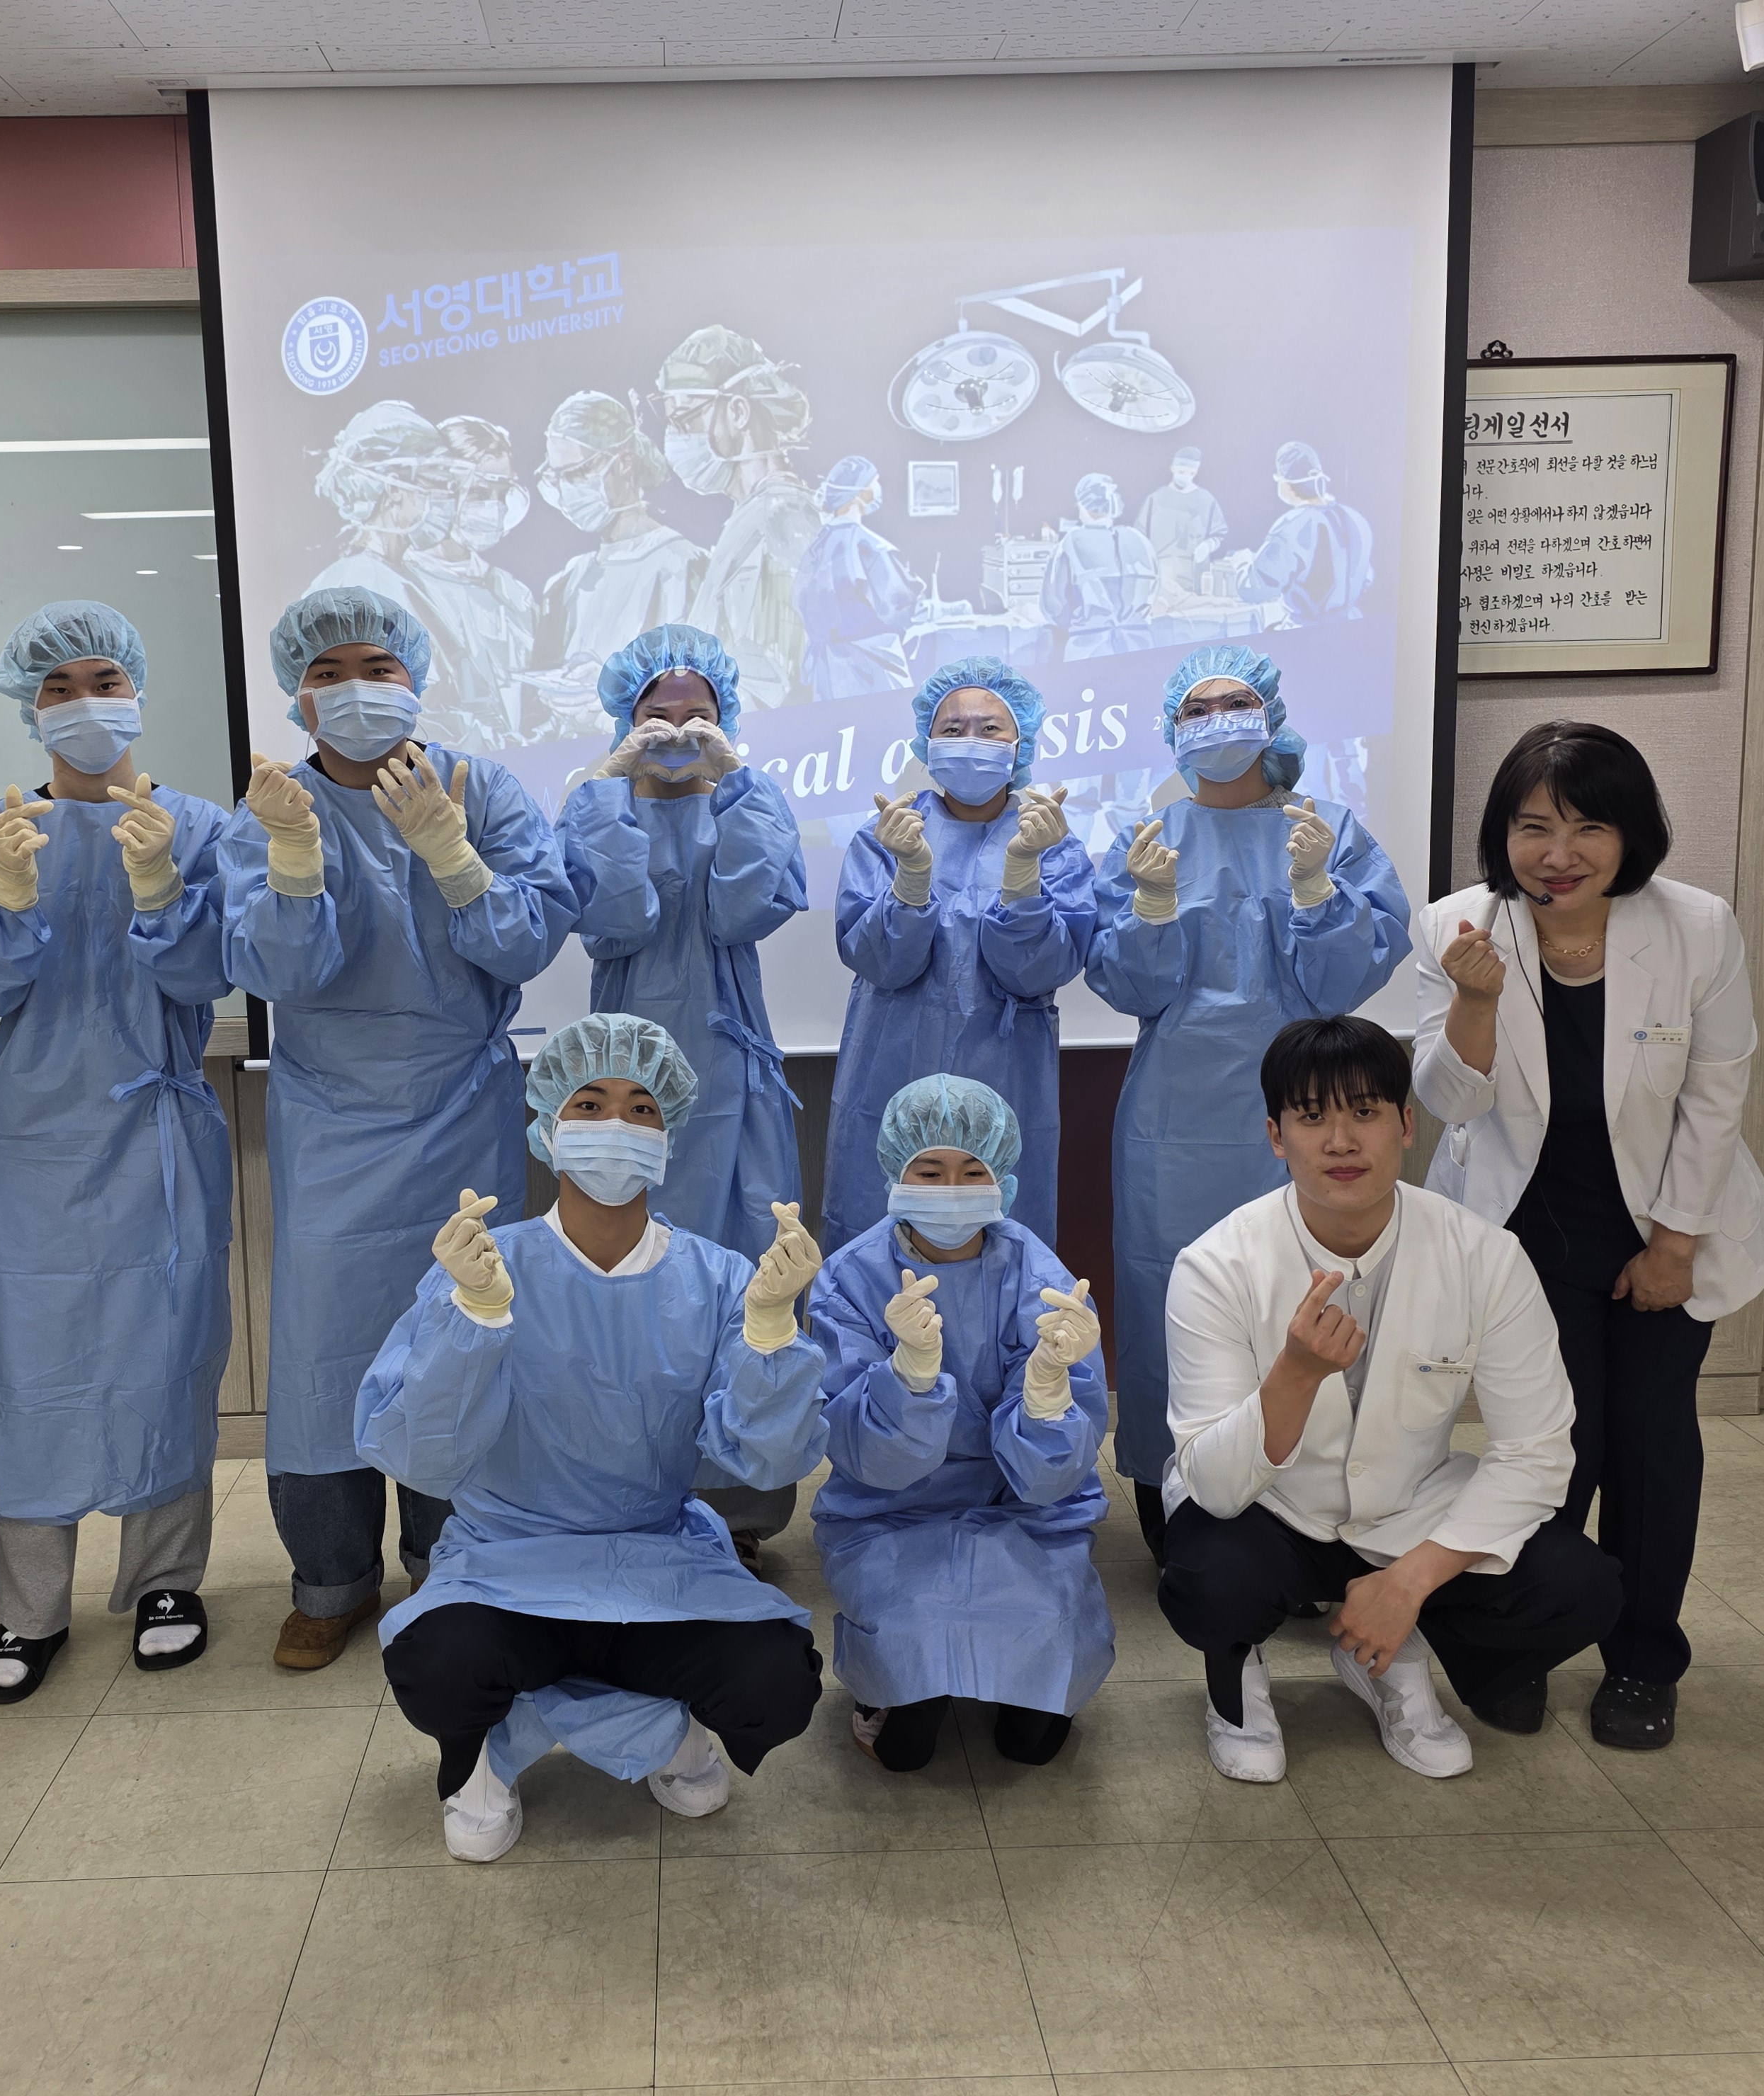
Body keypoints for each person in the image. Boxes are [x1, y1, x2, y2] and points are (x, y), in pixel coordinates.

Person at [173, 587, 577, 1670]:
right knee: (326, 1351)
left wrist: (454, 856)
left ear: (416, 678)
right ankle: (330, 1580)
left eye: (378, 668)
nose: (357, 689)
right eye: (330, 672)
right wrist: (295, 860)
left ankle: (455, 1565)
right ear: (297, 695)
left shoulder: (478, 790)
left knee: (464, 1334)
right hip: (332, 1118)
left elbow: (527, 942)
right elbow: (276, 972)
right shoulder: (274, 807)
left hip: (462, 1109)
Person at [362, 1014, 830, 1862]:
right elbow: (419, 1456)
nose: (616, 1123)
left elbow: (768, 1459)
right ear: (548, 1128)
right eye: (590, 1103)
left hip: (656, 1555)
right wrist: (474, 1320)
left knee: (774, 1681)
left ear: (668, 1135)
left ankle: (659, 1732)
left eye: (641, 1108)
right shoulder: (485, 1269)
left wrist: (769, 1329)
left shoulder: (721, 1280)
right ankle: (489, 1759)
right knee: (440, 1665)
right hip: (509, 1561)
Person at [1412, 723, 1764, 1751]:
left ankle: (1643, 1661)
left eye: (1588, 827)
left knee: (1652, 1446)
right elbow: (1447, 1101)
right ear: (1501, 834)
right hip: (1527, 1231)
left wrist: (1675, 1246)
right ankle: (1525, 1642)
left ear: (1630, 834)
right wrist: (1474, 1001)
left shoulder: (1696, 927)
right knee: (1547, 1448)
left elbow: (1715, 1096)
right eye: (1533, 827)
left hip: (1668, 1221)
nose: (1558, 854)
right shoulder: (1454, 926)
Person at [0, 601, 237, 1703]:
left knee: (168, 1350)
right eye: (58, 687)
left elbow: (213, 974)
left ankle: (167, 1582)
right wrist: (6, 899)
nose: (85, 703)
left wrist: (163, 890)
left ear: (138, 690)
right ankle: (28, 1607)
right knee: (35, 1365)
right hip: (38, 1136)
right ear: (28, 705)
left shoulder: (198, 827)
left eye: (105, 681)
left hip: (160, 1124)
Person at [1160, 1015, 1622, 1782]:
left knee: (1580, 1586)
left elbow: (1537, 1451)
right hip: (1268, 1508)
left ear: (1406, 1125)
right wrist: (1295, 1375)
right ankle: (1235, 1678)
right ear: (1276, 1137)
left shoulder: (1486, 1257)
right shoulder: (1216, 1265)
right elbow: (1211, 1481)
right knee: (1213, 1582)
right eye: (1312, 1117)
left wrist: (1409, 1582)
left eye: (1365, 1112)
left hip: (1408, 1507)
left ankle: (1387, 1651)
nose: (1341, 1142)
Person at [1088, 646, 1411, 1560]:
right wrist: (1151, 910)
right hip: (1175, 1114)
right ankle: (1172, 1496)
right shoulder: (1148, 841)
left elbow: (1342, 984)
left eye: (1236, 702)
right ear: (1172, 730)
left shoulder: (1327, 830)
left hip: (1309, 1110)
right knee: (1167, 1293)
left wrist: (1316, 892)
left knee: (1302, 1291)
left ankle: (1313, 1508)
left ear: (1271, 717)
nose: (1218, 720)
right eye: (1198, 709)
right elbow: (1126, 984)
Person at [557, 624, 807, 1564]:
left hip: (731, 1082)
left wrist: (733, 784)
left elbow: (741, 910)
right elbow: (616, 920)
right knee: (628, 1289)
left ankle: (739, 1512)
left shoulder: (751, 802)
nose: (676, 729)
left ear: (726, 721)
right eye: (655, 716)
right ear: (624, 723)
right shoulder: (596, 805)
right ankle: (628, 1491)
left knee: (738, 1284)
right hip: (626, 1088)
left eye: (697, 714)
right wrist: (611, 793)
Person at [809, 1073, 1112, 1772]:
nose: (951, 1189)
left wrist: (1045, 1394)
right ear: (896, 1171)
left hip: (1022, 1513)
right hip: (892, 1515)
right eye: (929, 1170)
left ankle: (1013, 1683)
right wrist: (908, 1381)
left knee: (1032, 1745)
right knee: (904, 1748)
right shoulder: (851, 1279)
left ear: (1001, 1176)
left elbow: (1051, 1477)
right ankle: (899, 1692)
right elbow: (865, 1456)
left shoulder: (1038, 1275)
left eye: (972, 1171)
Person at [826, 659, 1093, 1252]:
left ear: (1020, 743)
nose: (971, 740)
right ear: (926, 743)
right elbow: (879, 962)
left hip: (1007, 1071)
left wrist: (1022, 876)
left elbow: (1041, 972)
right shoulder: (890, 834)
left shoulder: (1050, 842)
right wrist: (909, 881)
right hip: (890, 1066)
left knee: (1002, 1238)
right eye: (952, 729)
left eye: (990, 728)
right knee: (878, 1238)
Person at [663, 325, 819, 710]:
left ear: (738, 411)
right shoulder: (747, 517)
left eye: (684, 419)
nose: (675, 437)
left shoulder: (783, 516)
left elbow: (779, 675)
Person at [533, 391, 705, 719]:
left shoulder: (682, 564)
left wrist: (615, 697)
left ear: (624, 462)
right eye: (557, 476)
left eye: (577, 472)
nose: (567, 488)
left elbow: (694, 687)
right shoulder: (572, 578)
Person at [404, 412, 538, 751]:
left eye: (501, 492)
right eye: (479, 491)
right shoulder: (405, 588)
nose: (493, 506)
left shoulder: (511, 592)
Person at [306, 399, 457, 651]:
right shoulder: (362, 583)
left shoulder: (401, 575)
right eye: (436, 480)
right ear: (394, 488)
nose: (448, 495)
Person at [797, 454, 925, 700]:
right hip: (872, 664)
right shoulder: (868, 546)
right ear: (860, 491)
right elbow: (897, 607)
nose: (878, 488)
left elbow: (802, 601)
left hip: (830, 665)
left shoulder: (818, 546)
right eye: (874, 482)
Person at [1236, 440, 1374, 627]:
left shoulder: (1292, 525)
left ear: (1286, 484)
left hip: (1305, 633)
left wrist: (1242, 563)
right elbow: (1367, 578)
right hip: (1352, 627)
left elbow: (1254, 590)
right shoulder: (1356, 519)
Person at [1039, 474, 1156, 659]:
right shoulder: (1141, 541)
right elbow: (1152, 594)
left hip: (1088, 650)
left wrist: (1083, 624)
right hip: (1140, 648)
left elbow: (1053, 604)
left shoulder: (1072, 542)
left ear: (1084, 506)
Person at [1137, 446, 1229, 606]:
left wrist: (1208, 546)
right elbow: (1140, 537)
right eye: (1181, 472)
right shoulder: (1156, 499)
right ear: (1172, 468)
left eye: (1191, 473)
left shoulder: (1206, 500)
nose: (1185, 476)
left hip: (1194, 579)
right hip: (1160, 580)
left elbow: (1218, 534)